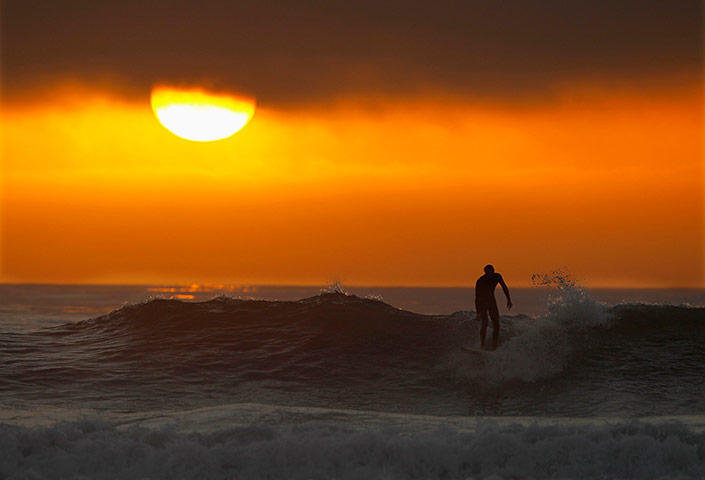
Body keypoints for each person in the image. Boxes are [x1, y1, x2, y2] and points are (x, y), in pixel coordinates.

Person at [475, 264, 512, 349]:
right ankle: (482, 345)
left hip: (491, 301)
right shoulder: (480, 281)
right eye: (487, 273)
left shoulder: (497, 276)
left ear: (493, 271)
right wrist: (478, 312)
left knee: (496, 324)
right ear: (485, 272)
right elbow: (477, 296)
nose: (489, 275)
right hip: (482, 302)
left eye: (490, 272)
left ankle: (494, 344)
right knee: (485, 323)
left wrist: (509, 300)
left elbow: (504, 287)